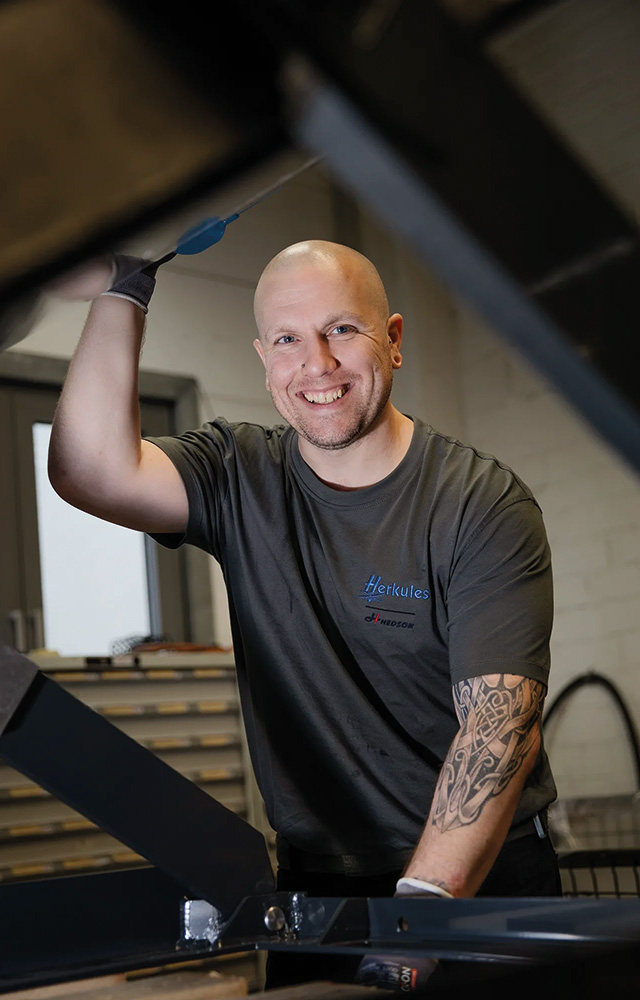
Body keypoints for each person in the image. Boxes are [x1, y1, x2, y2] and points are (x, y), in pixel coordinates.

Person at [48, 240, 560, 987]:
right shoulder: (237, 474)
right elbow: (88, 470)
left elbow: (499, 725)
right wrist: (126, 285)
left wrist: (419, 916)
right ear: (264, 360)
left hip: (477, 878)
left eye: (341, 329)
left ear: (393, 339)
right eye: (288, 339)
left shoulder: (480, 505)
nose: (317, 363)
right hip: (313, 890)